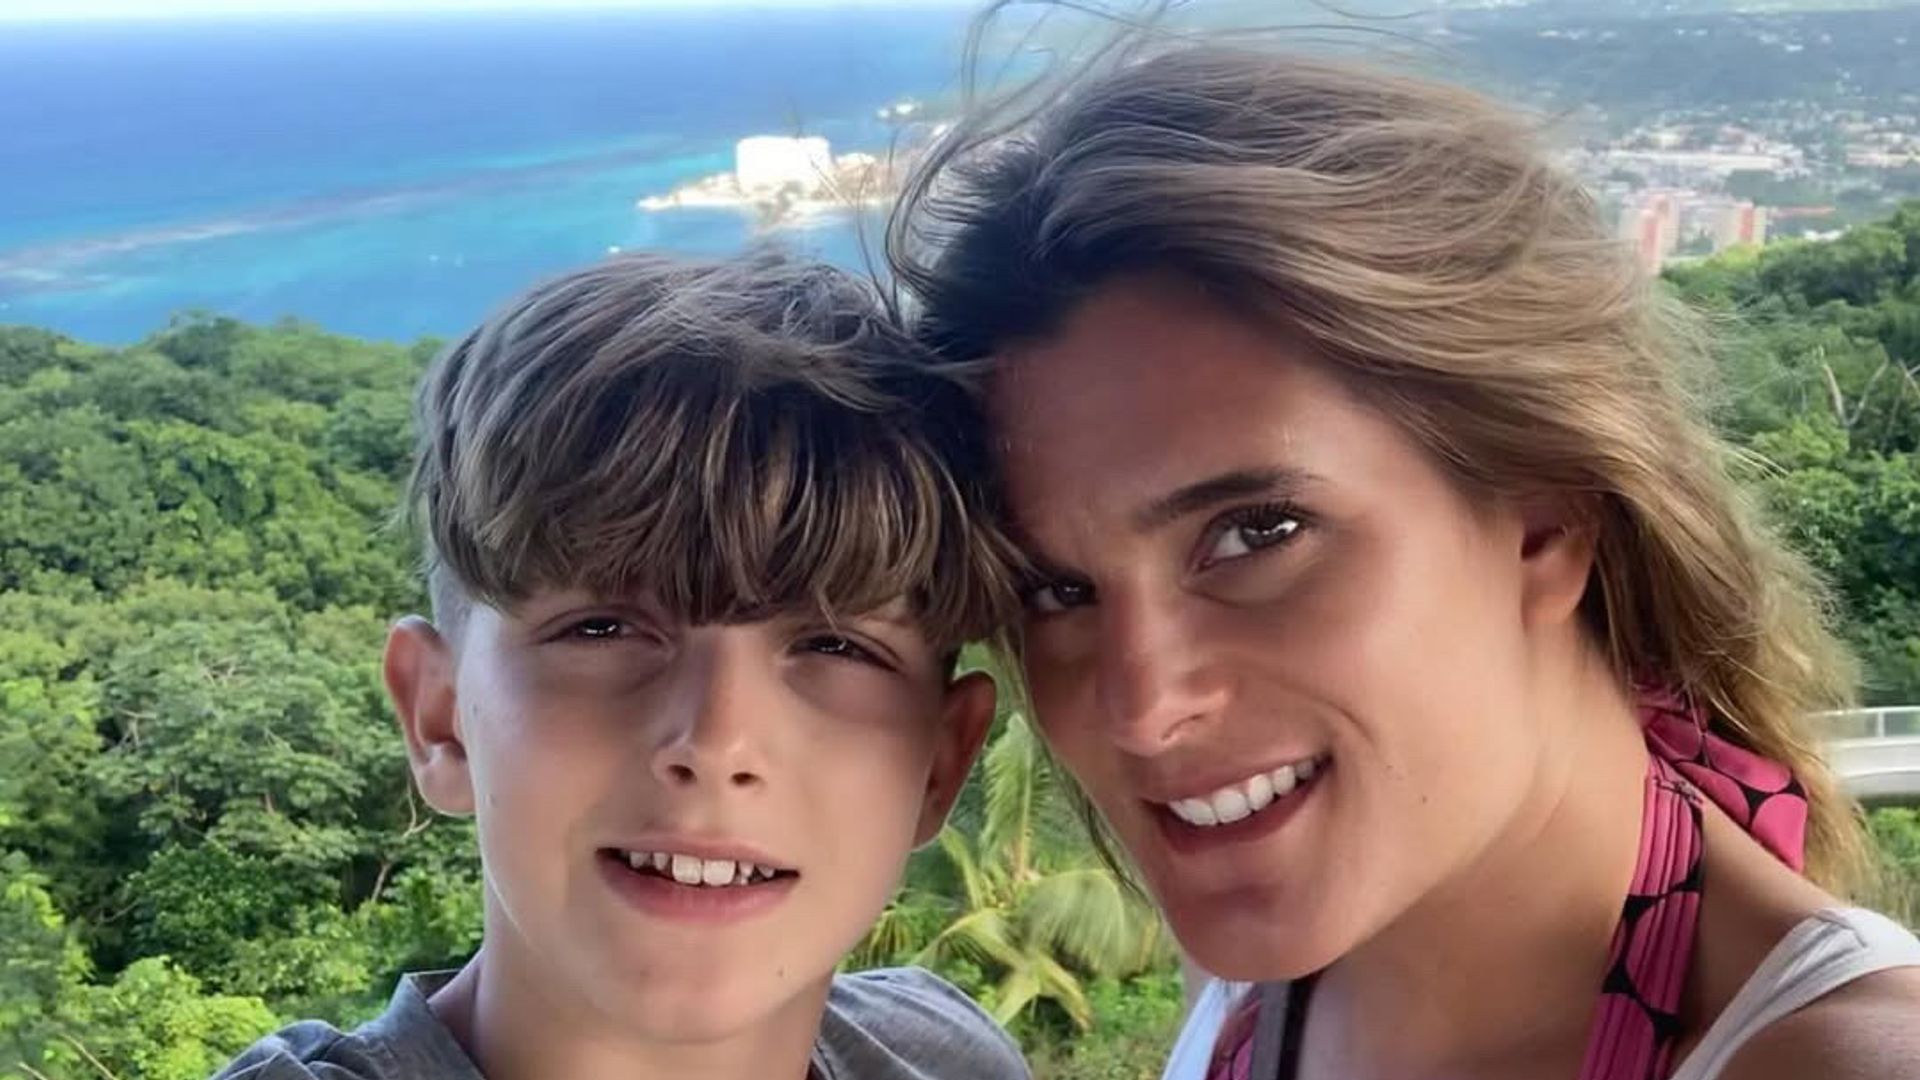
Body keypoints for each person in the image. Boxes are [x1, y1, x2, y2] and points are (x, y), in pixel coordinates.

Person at [888, 40, 1920, 1080]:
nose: (1142, 710)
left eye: (1257, 533)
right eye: (1056, 589)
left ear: (1548, 515)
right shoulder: (1272, 952)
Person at [212, 250, 1030, 1080]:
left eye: (835, 646)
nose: (717, 742)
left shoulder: (949, 1058)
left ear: (941, 766)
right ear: (439, 720)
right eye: (601, 630)